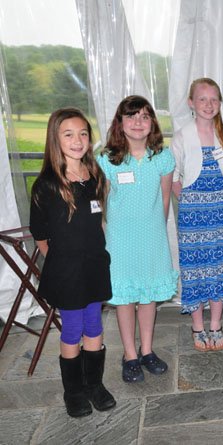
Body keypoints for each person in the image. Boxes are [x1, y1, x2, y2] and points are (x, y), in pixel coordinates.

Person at [30, 108, 116, 417]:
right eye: (68, 134)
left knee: (94, 324)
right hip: (67, 272)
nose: (77, 140)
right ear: (55, 139)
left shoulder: (95, 176)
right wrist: (62, 262)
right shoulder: (46, 186)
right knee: (73, 328)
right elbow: (40, 236)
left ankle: (94, 384)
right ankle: (74, 391)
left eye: (83, 134)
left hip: (94, 266)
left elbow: (96, 222)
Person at [98, 96, 178, 383]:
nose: (138, 123)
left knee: (148, 297)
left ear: (152, 123)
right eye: (131, 117)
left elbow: (166, 198)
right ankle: (129, 355)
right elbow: (103, 203)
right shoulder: (107, 159)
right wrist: (108, 236)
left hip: (152, 237)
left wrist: (155, 227)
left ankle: (147, 350)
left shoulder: (163, 157)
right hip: (120, 241)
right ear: (120, 122)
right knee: (125, 298)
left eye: (144, 117)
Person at [172, 78, 223, 351]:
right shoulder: (182, 136)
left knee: (220, 268)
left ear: (220, 103)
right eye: (202, 99)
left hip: (221, 214)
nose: (208, 104)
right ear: (191, 102)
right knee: (196, 270)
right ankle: (197, 327)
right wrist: (190, 201)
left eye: (214, 99)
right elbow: (173, 176)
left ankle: (216, 325)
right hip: (193, 217)